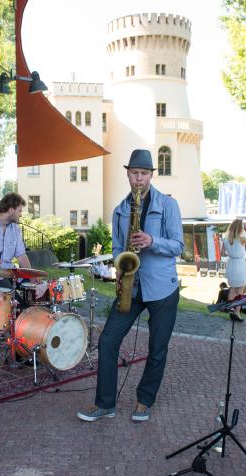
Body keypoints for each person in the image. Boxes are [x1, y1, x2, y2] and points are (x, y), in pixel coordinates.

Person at [77, 149, 183, 423]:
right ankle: (105, 404)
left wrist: (152, 241)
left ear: (151, 175)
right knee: (108, 340)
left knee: (157, 347)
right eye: (134, 173)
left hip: (162, 288)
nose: (139, 179)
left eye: (144, 174)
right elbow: (115, 245)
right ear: (127, 174)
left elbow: (178, 246)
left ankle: (144, 400)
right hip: (131, 287)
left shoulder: (169, 206)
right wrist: (120, 261)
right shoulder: (120, 210)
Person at [222, 219, 246, 316]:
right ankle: (237, 312)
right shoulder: (241, 239)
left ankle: (231, 310)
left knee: (232, 289)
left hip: (231, 264)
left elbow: (223, 253)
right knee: (240, 291)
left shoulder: (226, 239)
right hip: (239, 265)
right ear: (240, 228)